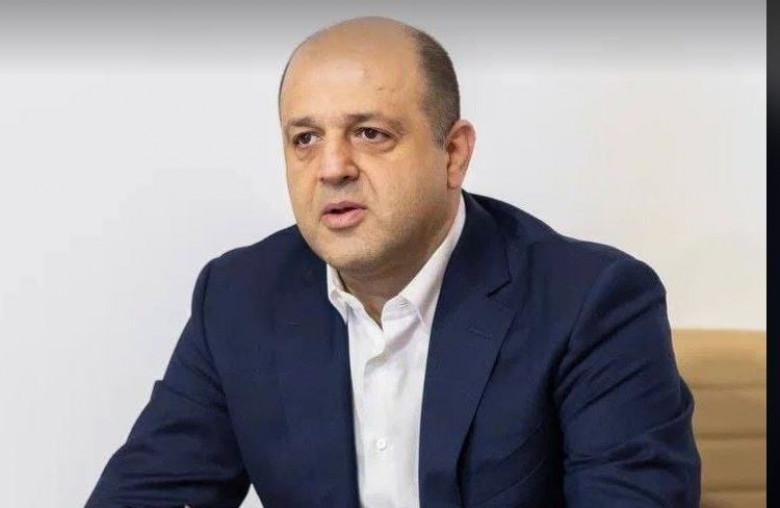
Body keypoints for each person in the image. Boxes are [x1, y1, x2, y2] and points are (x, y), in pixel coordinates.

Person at [86, 16, 701, 508]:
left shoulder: (593, 302)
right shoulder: (238, 297)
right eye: (305, 139)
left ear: (453, 154)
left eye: (370, 133)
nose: (332, 168)